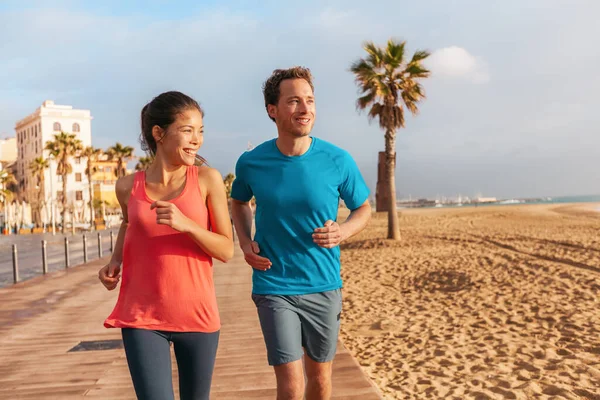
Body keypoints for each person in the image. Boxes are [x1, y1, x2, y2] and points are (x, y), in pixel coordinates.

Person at [230, 67, 372, 400]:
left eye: (309, 100)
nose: (305, 109)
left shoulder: (337, 159)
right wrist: (245, 241)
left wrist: (343, 231)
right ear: (272, 110)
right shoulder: (252, 162)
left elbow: (363, 209)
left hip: (323, 284)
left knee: (320, 379)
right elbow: (238, 202)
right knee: (291, 385)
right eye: (294, 101)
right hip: (273, 283)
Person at [98, 91, 234, 400]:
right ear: (159, 133)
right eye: (187, 130)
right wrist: (114, 261)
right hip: (141, 316)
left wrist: (186, 224)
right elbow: (129, 223)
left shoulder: (207, 179)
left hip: (197, 315)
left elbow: (226, 250)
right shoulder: (126, 186)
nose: (197, 139)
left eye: (200, 131)